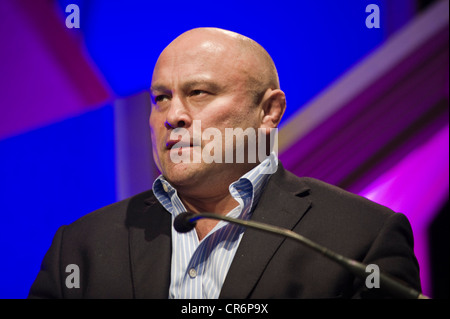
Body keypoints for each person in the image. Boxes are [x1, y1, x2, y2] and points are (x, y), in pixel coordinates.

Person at [28, 27, 421, 299]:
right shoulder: (81, 247)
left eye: (198, 92)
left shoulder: (360, 238)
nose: (173, 115)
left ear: (269, 111)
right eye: (161, 97)